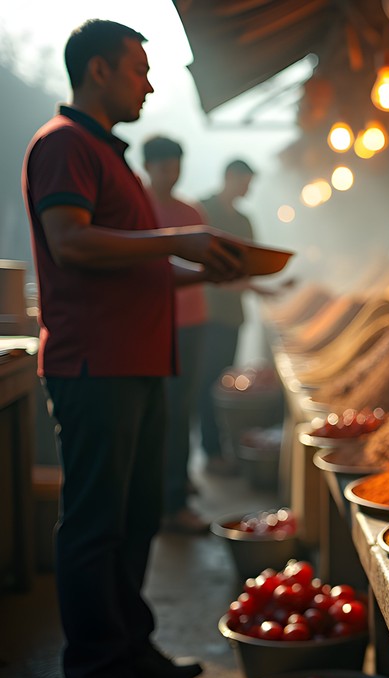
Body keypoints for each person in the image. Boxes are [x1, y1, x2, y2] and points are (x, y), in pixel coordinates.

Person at [23, 19, 247, 678]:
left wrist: (195, 269)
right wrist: (181, 239)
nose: (149, 84)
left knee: (138, 516)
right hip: (96, 365)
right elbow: (71, 242)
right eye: (137, 70)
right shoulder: (64, 146)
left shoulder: (107, 155)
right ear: (97, 72)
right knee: (95, 526)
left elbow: (133, 261)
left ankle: (131, 648)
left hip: (142, 363)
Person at [143, 135, 208, 535]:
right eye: (164, 166)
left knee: (181, 410)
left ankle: (174, 490)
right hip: (152, 324)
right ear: (148, 167)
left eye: (176, 166)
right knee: (160, 413)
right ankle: (166, 499)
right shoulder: (137, 209)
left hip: (191, 323)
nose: (172, 174)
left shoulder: (189, 210)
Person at [196, 159, 258, 475]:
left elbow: (250, 264)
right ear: (230, 177)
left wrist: (257, 284)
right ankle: (211, 450)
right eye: (246, 181)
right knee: (204, 383)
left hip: (232, 316)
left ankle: (222, 447)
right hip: (206, 314)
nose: (249, 189)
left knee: (220, 384)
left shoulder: (245, 221)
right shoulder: (202, 210)